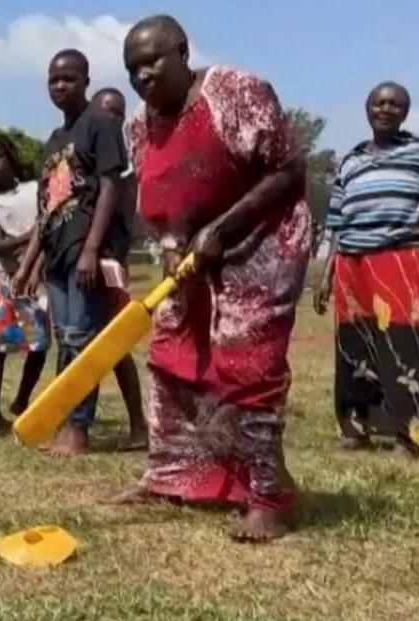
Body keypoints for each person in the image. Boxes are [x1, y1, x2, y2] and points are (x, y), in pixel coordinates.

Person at [110, 15, 312, 542]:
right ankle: (175, 476)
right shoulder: (139, 125)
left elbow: (290, 171)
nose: (143, 75)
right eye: (133, 68)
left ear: (181, 49)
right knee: (173, 358)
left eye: (152, 60)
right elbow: (163, 201)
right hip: (192, 255)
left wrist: (222, 229)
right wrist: (178, 249)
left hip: (260, 240)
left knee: (246, 365)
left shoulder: (234, 91)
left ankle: (268, 496)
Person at [11, 49, 127, 456]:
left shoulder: (100, 125)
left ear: (86, 82)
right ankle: (67, 423)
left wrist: (92, 249)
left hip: (83, 249)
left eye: (69, 79)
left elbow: (111, 186)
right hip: (56, 254)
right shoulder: (53, 144)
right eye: (53, 80)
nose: (60, 86)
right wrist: (27, 266)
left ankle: (79, 430)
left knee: (81, 339)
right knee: (67, 340)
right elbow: (47, 211)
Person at [315, 81, 419, 458]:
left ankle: (410, 437)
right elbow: (336, 219)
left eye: (395, 104)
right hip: (351, 263)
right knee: (354, 345)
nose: (386, 108)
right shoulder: (351, 160)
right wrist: (328, 270)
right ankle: (355, 429)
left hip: (400, 257)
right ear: (367, 108)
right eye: (379, 102)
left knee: (406, 345)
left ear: (405, 112)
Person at [0, 135, 49, 431]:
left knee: (39, 346)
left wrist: (36, 238)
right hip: (4, 281)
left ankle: (22, 401)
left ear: (10, 157)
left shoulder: (34, 189)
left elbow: (49, 221)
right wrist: (33, 234)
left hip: (36, 279)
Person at [90, 86, 149, 450]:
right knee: (84, 345)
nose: (112, 119)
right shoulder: (87, 163)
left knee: (113, 347)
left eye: (118, 113)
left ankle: (138, 424)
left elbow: (125, 227)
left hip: (109, 265)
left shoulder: (124, 176)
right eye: (105, 112)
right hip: (84, 264)